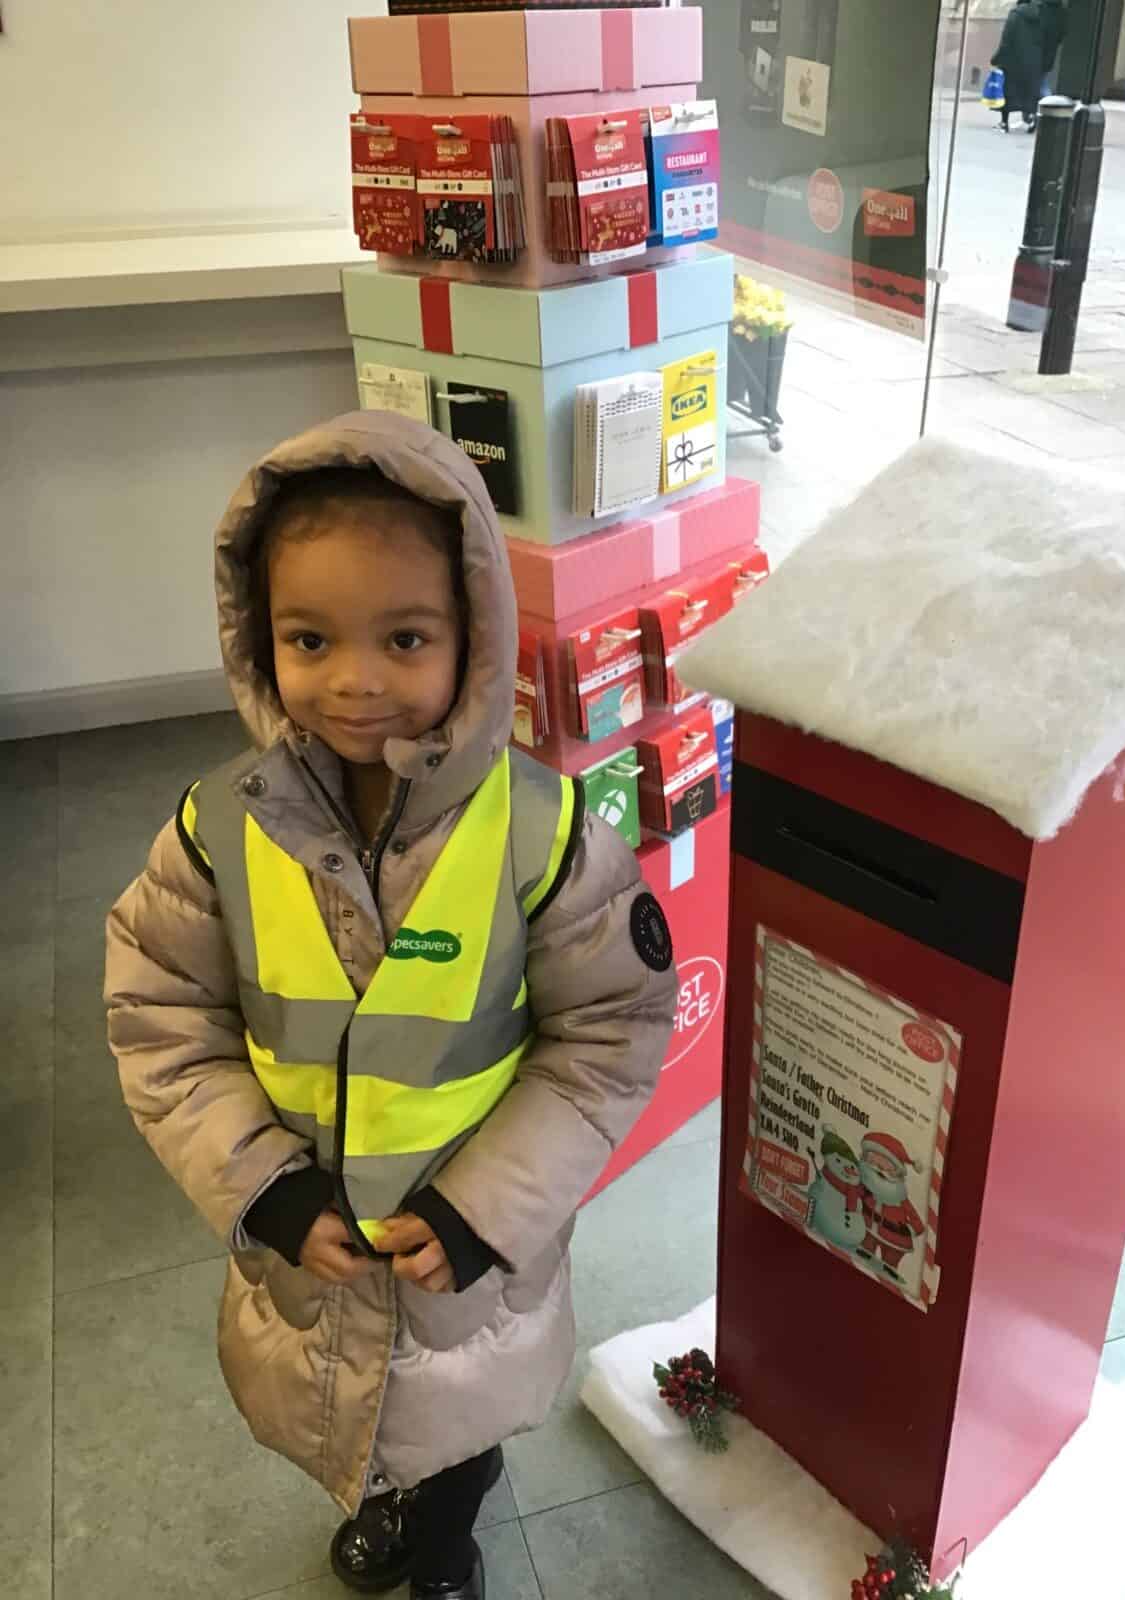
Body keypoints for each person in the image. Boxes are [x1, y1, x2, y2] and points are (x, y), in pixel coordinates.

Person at [104, 412, 677, 1598]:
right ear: (259, 638)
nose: (356, 680)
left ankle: (448, 1539)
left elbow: (608, 1035)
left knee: (458, 1426)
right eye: (310, 639)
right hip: (310, 1248)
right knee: (347, 1416)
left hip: (469, 1261)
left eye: (405, 637)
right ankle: (391, 1500)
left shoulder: (540, 833)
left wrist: (482, 1211)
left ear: (473, 636)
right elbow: (162, 1019)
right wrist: (262, 1184)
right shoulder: (220, 828)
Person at [992, 0, 1045, 131]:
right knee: (1029, 91)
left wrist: (997, 57)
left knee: (1008, 92)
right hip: (1033, 60)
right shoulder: (1040, 15)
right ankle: (1031, 119)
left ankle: (1004, 122)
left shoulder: (1015, 15)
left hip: (1013, 60)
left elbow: (1006, 39)